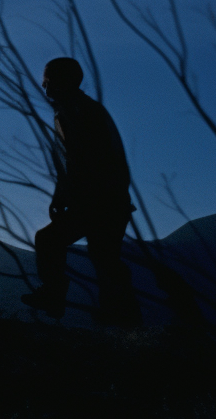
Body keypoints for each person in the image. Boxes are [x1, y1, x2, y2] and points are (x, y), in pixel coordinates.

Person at [20, 57, 141, 325]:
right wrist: (60, 196)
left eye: (48, 82)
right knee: (104, 261)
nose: (45, 88)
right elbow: (72, 163)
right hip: (104, 202)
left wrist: (69, 198)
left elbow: (86, 162)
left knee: (91, 256)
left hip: (102, 203)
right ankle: (124, 325)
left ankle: (121, 324)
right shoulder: (73, 112)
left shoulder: (80, 112)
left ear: (64, 82)